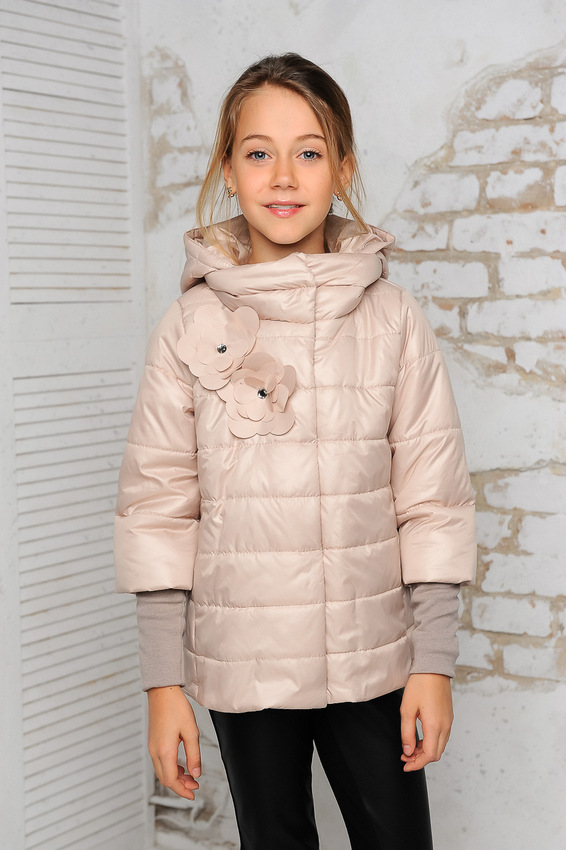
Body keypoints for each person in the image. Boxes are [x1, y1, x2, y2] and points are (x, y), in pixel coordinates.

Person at [114, 53, 476, 850]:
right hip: (245, 664)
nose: (283, 176)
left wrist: (434, 661)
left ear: (342, 167)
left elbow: (433, 498)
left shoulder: (393, 319)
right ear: (228, 169)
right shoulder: (188, 328)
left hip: (375, 659)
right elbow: (159, 508)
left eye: (309, 152)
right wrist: (162, 684)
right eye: (258, 152)